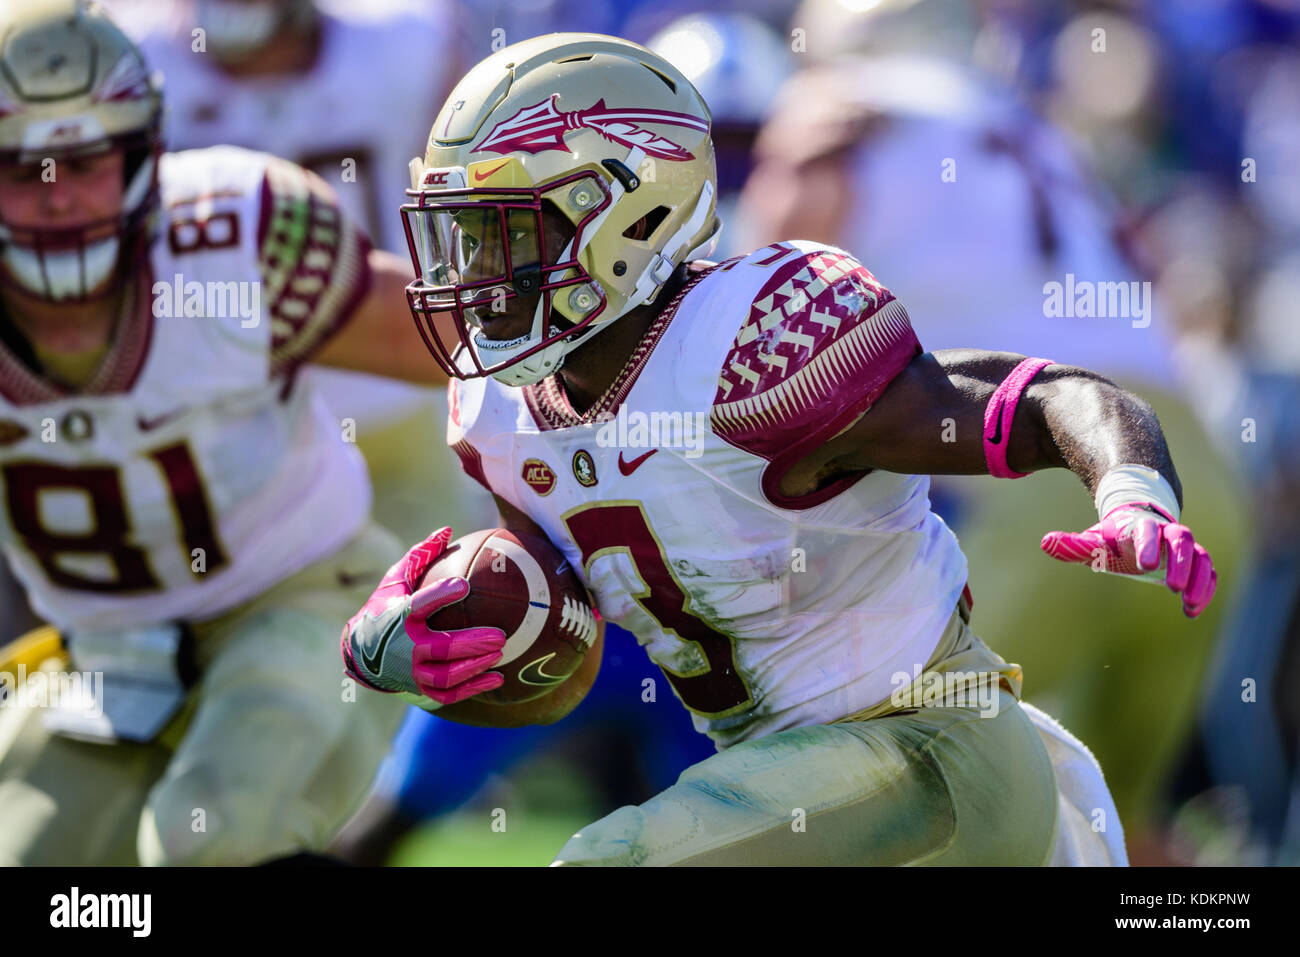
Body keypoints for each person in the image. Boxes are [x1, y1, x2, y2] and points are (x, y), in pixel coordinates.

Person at [343, 33, 1219, 865]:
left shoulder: (753, 347)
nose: (474, 270)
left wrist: (1131, 488)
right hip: (787, 775)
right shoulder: (498, 409)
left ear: (624, 209)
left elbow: (1045, 398)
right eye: (464, 233)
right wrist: (429, 630)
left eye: (506, 230)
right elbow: (563, 650)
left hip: (928, 743)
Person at [0, 0, 438, 865]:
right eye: (22, 167)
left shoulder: (234, 236)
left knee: (210, 838)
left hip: (298, 592)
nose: (59, 197)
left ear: (144, 155)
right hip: (104, 648)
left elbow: (452, 346)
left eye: (85, 160)